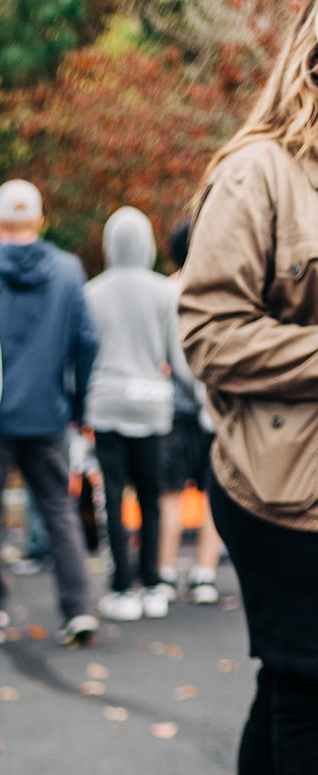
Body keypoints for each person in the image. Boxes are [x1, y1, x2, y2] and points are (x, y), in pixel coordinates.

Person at [179, 1, 318, 775]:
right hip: (279, 486)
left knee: (290, 681)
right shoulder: (258, 171)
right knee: (307, 684)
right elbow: (210, 336)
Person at [0, 178, 100, 648]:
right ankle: (79, 610)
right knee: (59, 512)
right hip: (48, 413)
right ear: (41, 221)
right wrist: (77, 405)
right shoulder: (67, 270)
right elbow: (87, 341)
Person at [83, 207, 191, 623]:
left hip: (107, 404)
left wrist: (79, 405)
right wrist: (201, 400)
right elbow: (177, 359)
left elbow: (84, 358)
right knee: (151, 497)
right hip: (152, 406)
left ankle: (122, 587)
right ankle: (153, 583)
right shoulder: (164, 293)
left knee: (113, 497)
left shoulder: (92, 292)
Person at [159, 218, 223, 603]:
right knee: (214, 493)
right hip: (214, 407)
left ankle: (165, 573)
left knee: (170, 492)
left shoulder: (165, 291)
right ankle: (204, 575)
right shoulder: (220, 292)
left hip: (173, 409)